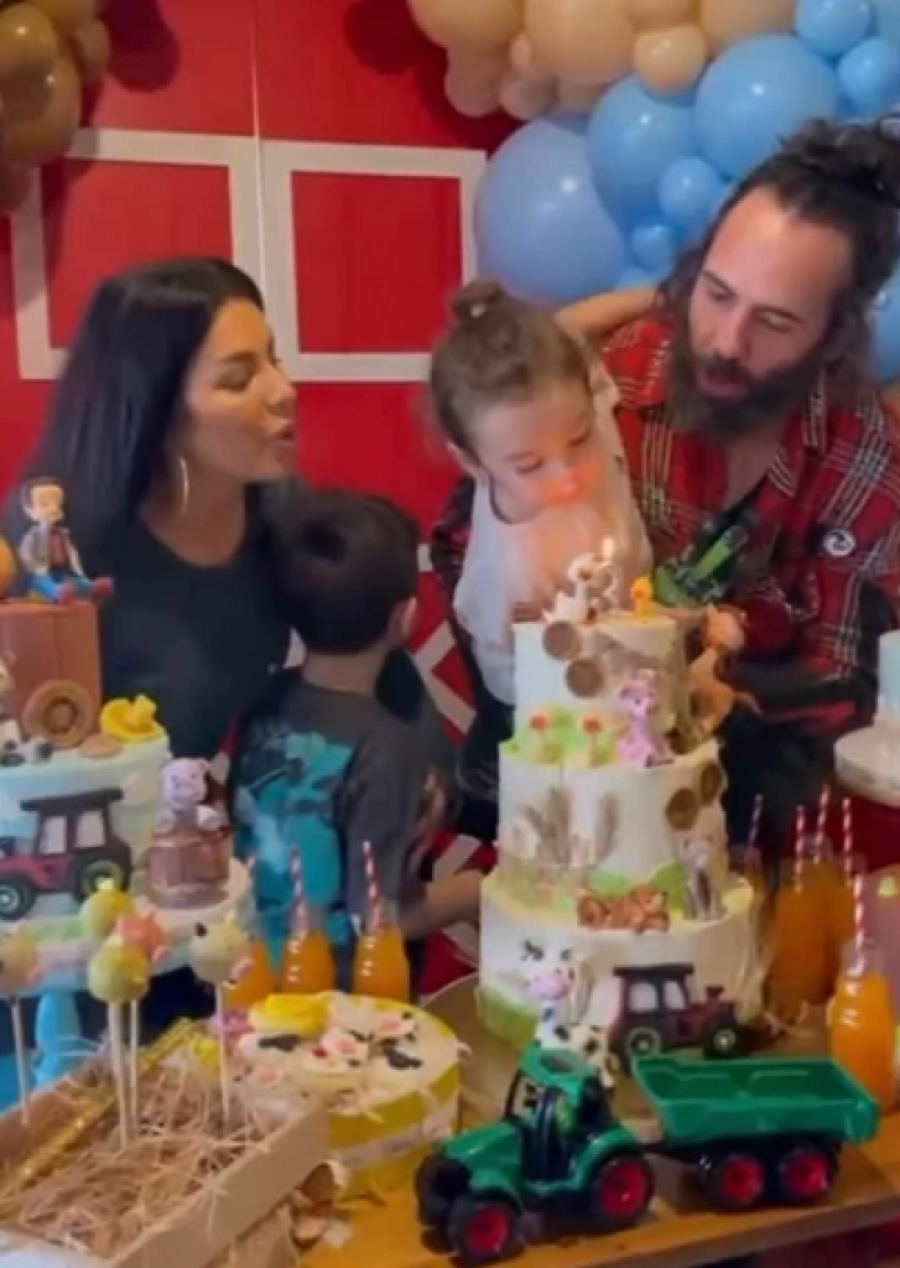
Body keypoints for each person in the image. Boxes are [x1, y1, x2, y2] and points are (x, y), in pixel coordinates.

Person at [1, 257, 454, 1036]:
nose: (283, 390)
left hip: (203, 913)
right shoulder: (54, 550)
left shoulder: (279, 513)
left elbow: (367, 631)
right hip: (65, 941)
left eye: (273, 359)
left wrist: (425, 756)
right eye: (239, 377)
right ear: (156, 408)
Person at [432, 116, 900, 852]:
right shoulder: (604, 384)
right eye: (717, 293)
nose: (726, 341)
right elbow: (464, 539)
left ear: (836, 334)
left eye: (775, 321)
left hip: (744, 824)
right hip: (566, 807)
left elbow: (841, 690)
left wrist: (712, 690)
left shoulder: (863, 456)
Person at [232, 488, 481, 989]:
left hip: (251, 978)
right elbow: (380, 920)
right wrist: (478, 892)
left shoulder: (261, 707)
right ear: (406, 618)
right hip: (346, 1006)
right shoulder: (389, 747)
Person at [428, 280, 650, 818]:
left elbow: (573, 327)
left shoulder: (561, 401)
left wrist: (662, 294)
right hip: (558, 719)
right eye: (530, 466)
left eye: (580, 439)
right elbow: (519, 691)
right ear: (474, 463)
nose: (567, 474)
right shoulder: (511, 571)